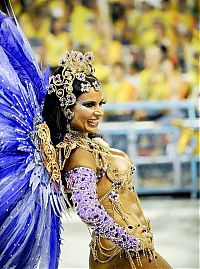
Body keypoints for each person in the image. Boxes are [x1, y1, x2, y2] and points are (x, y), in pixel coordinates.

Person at [0, 11, 173, 269]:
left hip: (131, 250)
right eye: (89, 105)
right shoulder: (78, 153)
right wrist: (129, 243)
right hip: (123, 254)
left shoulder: (88, 145)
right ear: (67, 109)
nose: (98, 111)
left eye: (100, 103)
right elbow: (88, 209)